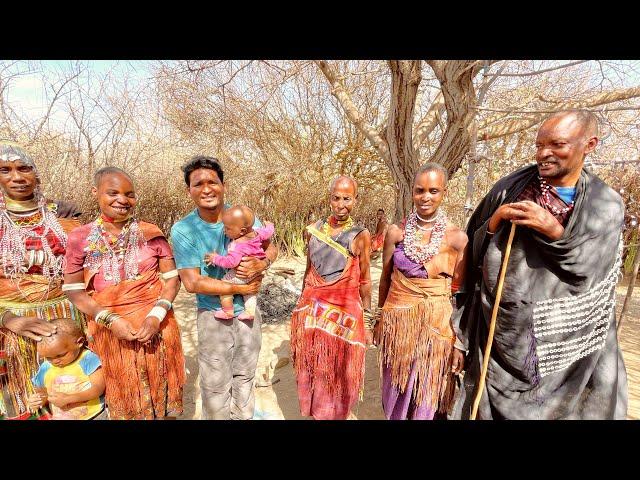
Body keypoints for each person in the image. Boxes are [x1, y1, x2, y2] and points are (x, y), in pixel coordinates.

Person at [452, 110, 628, 420]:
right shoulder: (511, 188)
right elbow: (472, 248)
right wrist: (494, 222)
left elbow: (592, 272)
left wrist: (555, 232)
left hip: (564, 347)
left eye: (557, 144)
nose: (543, 154)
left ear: (590, 144)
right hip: (501, 337)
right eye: (539, 145)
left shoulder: (606, 204)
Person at [63, 167, 185, 420]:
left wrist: (155, 316)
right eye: (113, 193)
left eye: (129, 194)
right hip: (110, 332)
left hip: (157, 327)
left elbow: (172, 281)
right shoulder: (79, 237)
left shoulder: (151, 232)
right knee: (124, 399)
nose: (122, 200)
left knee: (161, 395)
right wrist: (111, 320)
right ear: (95, 193)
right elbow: (74, 291)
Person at [170, 156, 277, 420]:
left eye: (212, 182)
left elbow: (270, 247)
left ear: (223, 185)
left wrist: (261, 264)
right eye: (198, 184)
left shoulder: (241, 214)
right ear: (189, 191)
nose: (206, 189)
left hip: (249, 314)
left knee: (245, 376)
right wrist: (241, 289)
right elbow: (192, 283)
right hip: (212, 316)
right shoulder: (184, 229)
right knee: (216, 386)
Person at [374, 163, 467, 420]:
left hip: (437, 328)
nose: (426, 197)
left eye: (433, 191)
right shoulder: (396, 232)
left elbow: (460, 296)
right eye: (419, 190)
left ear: (444, 193)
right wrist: (380, 319)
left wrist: (460, 344)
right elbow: (385, 279)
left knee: (427, 392)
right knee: (396, 387)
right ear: (412, 192)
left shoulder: (457, 238)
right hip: (398, 324)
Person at [0, 141, 84, 420]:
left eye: (24, 168)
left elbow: (86, 264)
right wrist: (9, 319)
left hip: (67, 319)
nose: (17, 177)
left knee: (75, 397)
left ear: (37, 175)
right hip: (13, 327)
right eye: (6, 170)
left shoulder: (64, 212)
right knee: (24, 401)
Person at [290, 175, 372, 420]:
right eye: (336, 198)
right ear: (329, 200)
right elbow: (308, 273)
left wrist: (367, 322)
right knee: (313, 368)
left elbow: (365, 281)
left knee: (339, 372)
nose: (341, 204)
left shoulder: (360, 235)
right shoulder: (314, 230)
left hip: (344, 315)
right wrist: (300, 308)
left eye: (347, 198)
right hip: (313, 312)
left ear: (355, 201)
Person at [204, 205, 275, 321]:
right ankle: (250, 312)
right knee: (250, 294)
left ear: (242, 231)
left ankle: (227, 311)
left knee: (224, 285)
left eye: (227, 228)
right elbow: (268, 232)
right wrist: (269, 225)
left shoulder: (238, 246)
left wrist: (215, 258)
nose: (224, 231)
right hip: (256, 274)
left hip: (240, 275)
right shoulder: (258, 233)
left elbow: (231, 262)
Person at [27, 318, 106, 420]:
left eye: (61, 355)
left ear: (80, 342)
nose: (55, 361)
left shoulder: (87, 359)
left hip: (95, 416)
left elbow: (98, 388)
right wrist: (37, 400)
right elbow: (43, 393)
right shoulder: (45, 368)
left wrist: (69, 399)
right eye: (48, 357)